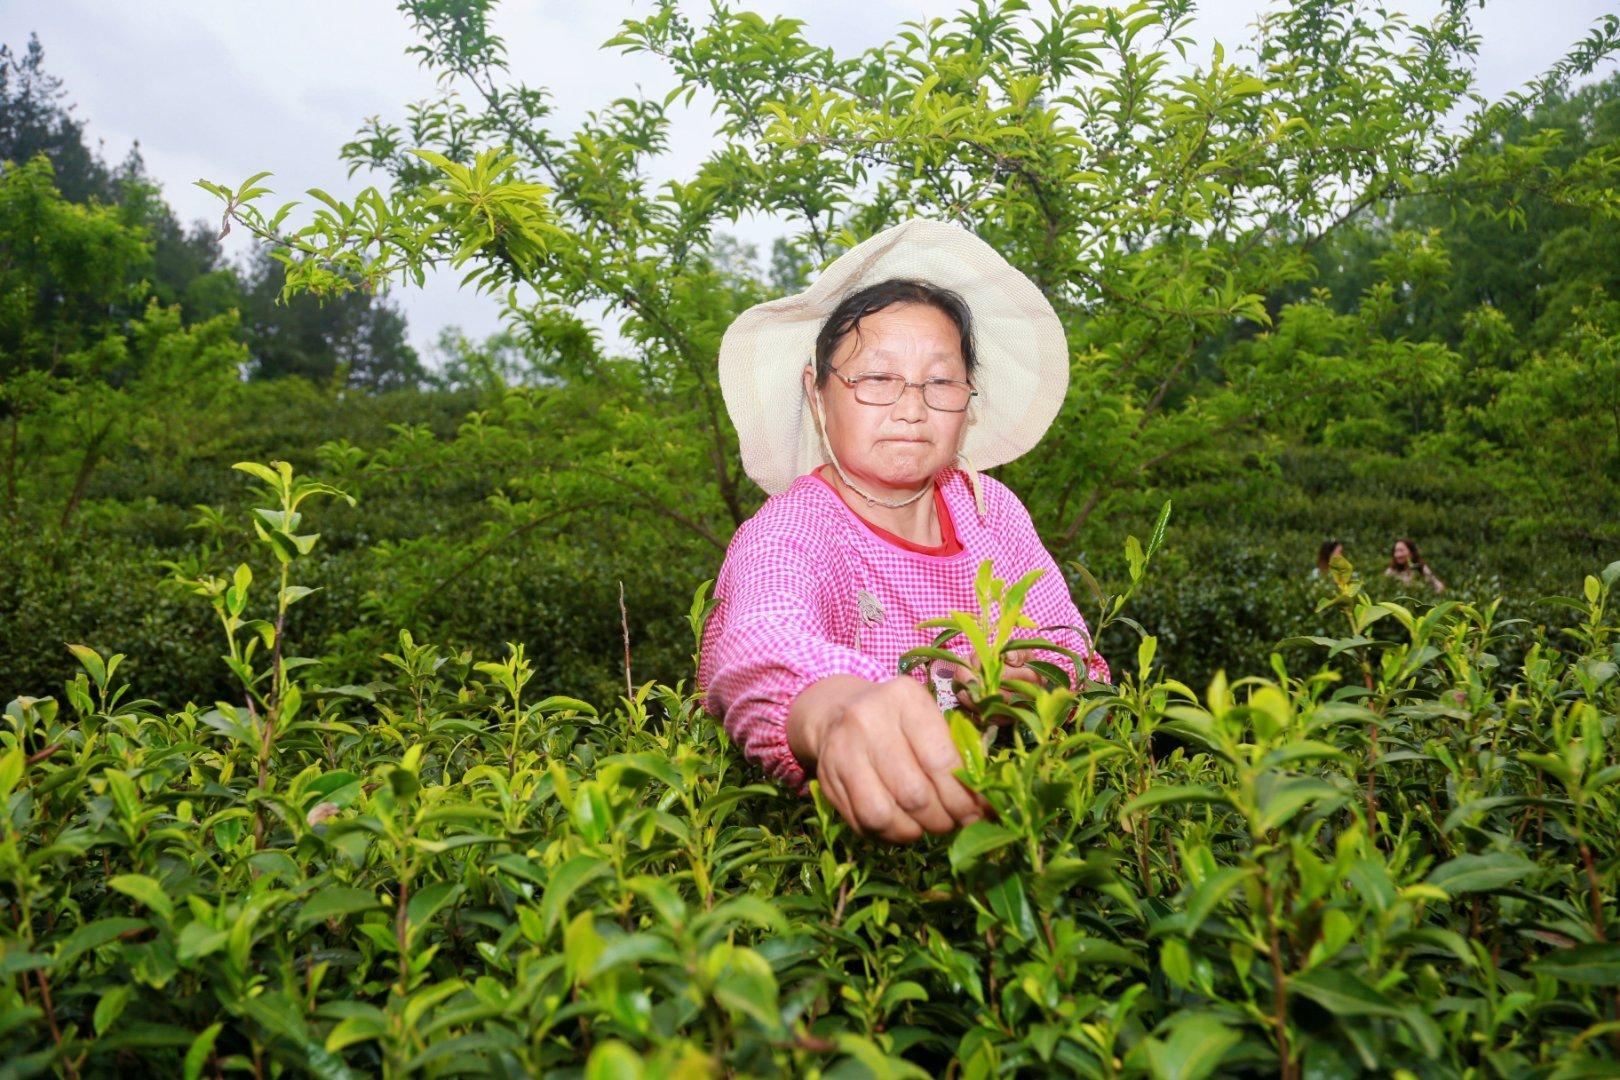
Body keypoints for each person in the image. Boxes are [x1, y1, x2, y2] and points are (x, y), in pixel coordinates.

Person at [698, 219, 1108, 844]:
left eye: (940, 381)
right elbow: (761, 639)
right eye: (876, 378)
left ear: (968, 399)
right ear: (817, 392)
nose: (912, 408)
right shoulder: (794, 527)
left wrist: (1036, 683)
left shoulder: (991, 511)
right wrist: (836, 710)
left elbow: (1074, 652)